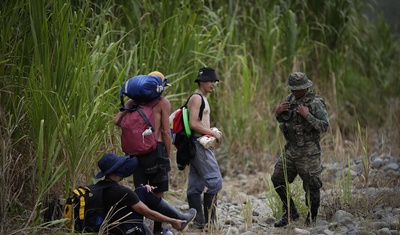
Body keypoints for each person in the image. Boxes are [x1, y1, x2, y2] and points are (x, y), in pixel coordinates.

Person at [114, 71, 172, 234]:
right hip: (156, 151)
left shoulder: (134, 102)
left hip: (137, 154)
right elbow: (166, 132)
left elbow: (116, 121)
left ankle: (136, 230)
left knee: (140, 192)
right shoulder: (162, 103)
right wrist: (168, 155)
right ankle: (158, 231)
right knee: (158, 194)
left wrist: (131, 103)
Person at [272, 72, 330, 227]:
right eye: (293, 89)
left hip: (309, 151)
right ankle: (290, 212)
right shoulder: (290, 99)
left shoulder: (315, 102)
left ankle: (312, 217)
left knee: (312, 185)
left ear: (306, 87)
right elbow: (285, 120)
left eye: (298, 89)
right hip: (291, 149)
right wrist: (278, 113)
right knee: (277, 179)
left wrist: (307, 115)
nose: (294, 92)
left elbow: (324, 126)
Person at [95, 153, 196, 235]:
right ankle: (178, 219)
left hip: (112, 226)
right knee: (141, 194)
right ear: (116, 171)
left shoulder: (100, 187)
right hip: (125, 230)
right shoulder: (121, 191)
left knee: (142, 191)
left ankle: (178, 219)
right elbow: (148, 213)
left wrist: (142, 191)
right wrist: (172, 221)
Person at [185, 67, 223, 229]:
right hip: (198, 145)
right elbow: (193, 123)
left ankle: (199, 221)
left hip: (199, 143)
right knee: (215, 182)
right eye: (209, 80)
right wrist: (212, 133)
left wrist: (209, 131)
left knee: (196, 184)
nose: (213, 83)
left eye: (214, 81)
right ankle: (209, 223)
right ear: (200, 81)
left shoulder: (202, 98)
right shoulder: (196, 98)